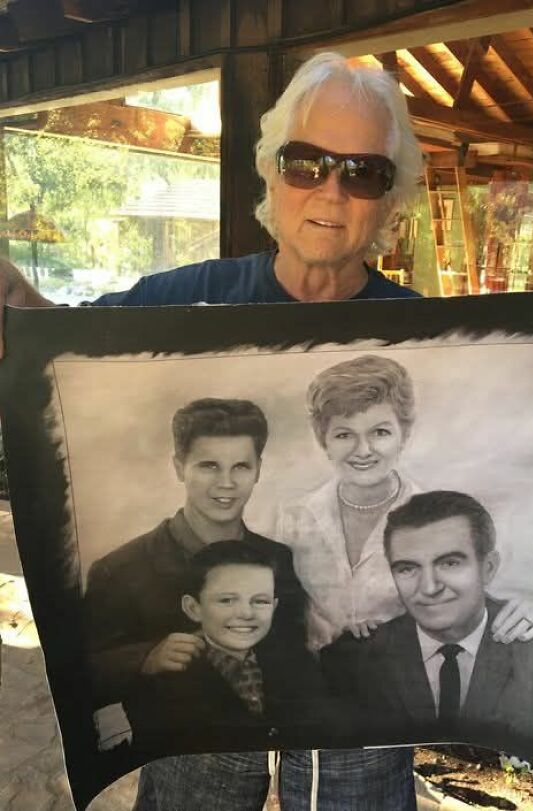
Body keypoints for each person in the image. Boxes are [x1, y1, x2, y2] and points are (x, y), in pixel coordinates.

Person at [3, 49, 430, 811]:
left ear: (390, 196)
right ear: (270, 170)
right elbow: (61, 359)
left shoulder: (430, 334)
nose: (330, 190)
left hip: (354, 699)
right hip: (203, 687)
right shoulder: (183, 300)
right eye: (306, 162)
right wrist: (15, 305)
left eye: (362, 171)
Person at [278, 354, 533, 656]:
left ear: (404, 435)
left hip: (404, 676)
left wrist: (525, 613)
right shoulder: (293, 519)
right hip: (310, 677)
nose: (363, 450)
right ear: (323, 440)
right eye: (344, 434)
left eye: (380, 432)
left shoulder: (438, 521)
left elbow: (474, 599)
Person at [85, 398, 306, 716]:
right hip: (173, 743)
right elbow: (81, 680)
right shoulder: (121, 570)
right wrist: (145, 658)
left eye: (241, 466)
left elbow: (297, 662)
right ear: (179, 467)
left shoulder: (278, 559)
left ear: (258, 469)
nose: (226, 483)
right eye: (209, 466)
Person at [336, 491, 533, 741]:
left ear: (488, 568)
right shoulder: (352, 658)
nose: (429, 588)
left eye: (450, 563)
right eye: (407, 568)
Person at [129, 541, 332, 759]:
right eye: (227, 600)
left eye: (260, 601)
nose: (246, 613)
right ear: (193, 608)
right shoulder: (168, 681)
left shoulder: (295, 665)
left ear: (274, 607)